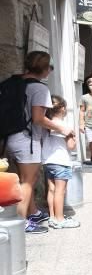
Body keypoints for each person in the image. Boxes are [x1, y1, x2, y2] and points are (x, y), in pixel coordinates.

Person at [1, 51, 73, 233]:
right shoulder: (40, 89)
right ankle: (20, 221)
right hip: (27, 140)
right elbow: (38, 118)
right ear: (44, 68)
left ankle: (33, 212)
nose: (50, 70)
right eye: (49, 67)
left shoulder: (14, 82)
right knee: (28, 182)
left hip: (8, 137)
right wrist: (61, 128)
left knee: (21, 178)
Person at [42, 96, 79, 229]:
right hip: (61, 161)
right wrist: (73, 137)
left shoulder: (46, 124)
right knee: (60, 191)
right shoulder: (64, 125)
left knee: (51, 190)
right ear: (63, 108)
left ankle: (52, 217)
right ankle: (60, 219)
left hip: (47, 161)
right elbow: (70, 146)